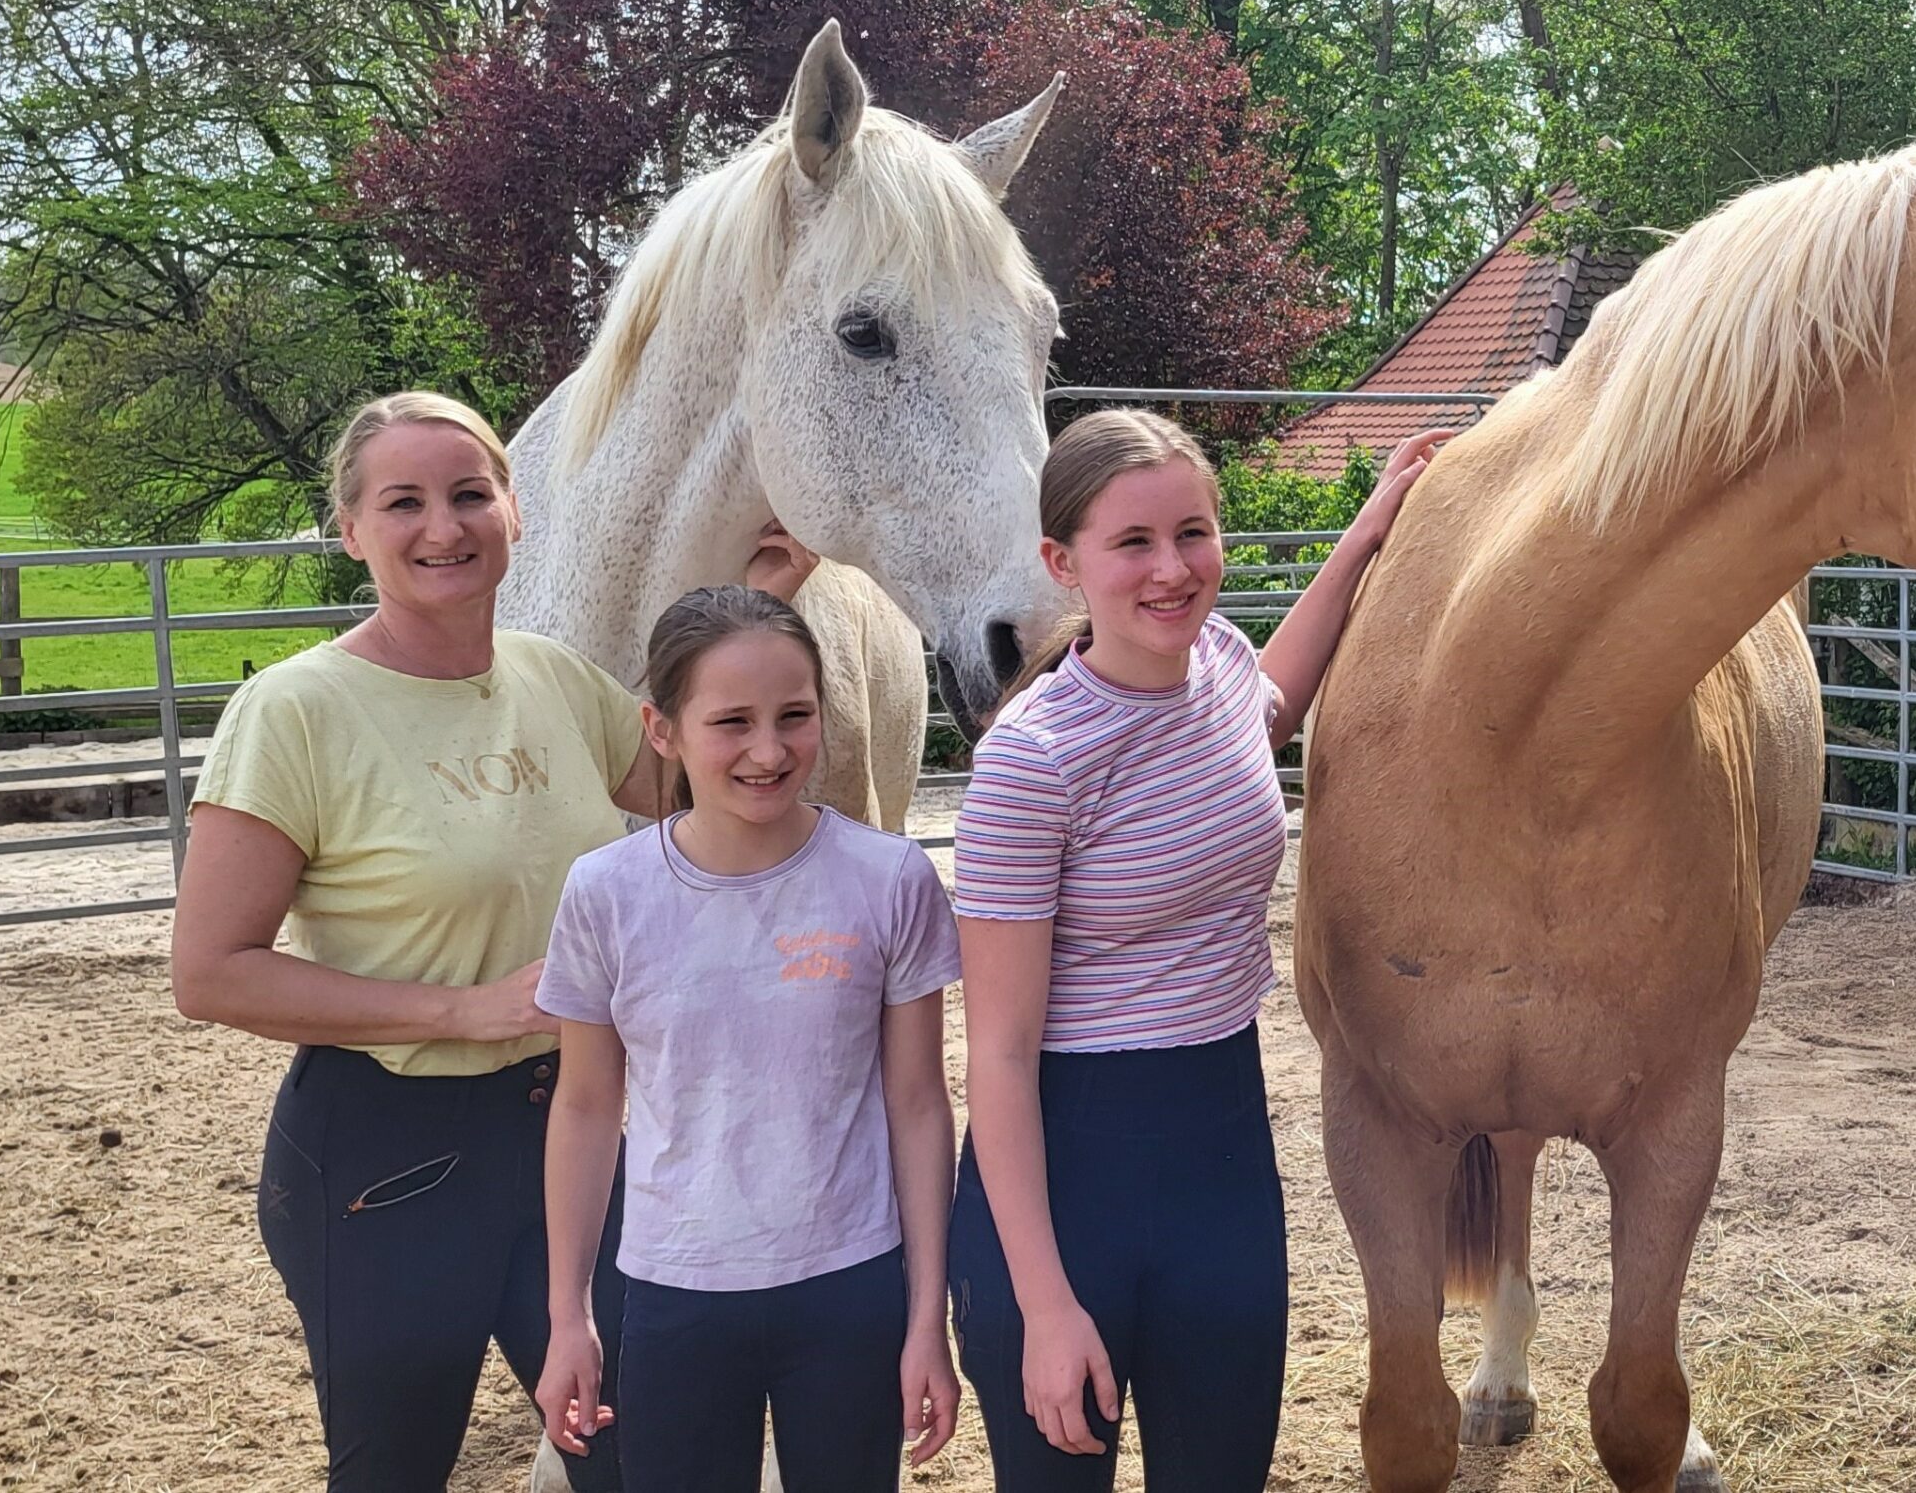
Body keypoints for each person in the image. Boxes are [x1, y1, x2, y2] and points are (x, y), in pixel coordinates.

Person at [169, 391, 814, 1491]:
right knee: (396, 1471)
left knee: (648, 1454)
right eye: (404, 502)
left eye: (471, 495)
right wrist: (462, 1009)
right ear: (350, 529)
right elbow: (209, 972)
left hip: (575, 1134)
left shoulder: (551, 677)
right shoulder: (297, 712)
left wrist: (756, 609)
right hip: (388, 1155)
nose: (444, 528)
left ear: (517, 513)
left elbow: (682, 786)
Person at [950, 408, 1451, 1490]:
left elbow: (1268, 705)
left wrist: (1364, 535)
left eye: (1194, 533)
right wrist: (1041, 1304)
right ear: (1062, 563)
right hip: (1065, 1175)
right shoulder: (1031, 764)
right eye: (1132, 543)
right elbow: (995, 1052)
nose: (1171, 569)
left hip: (1220, 1155)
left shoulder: (1220, 663)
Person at [535, 585, 962, 1491]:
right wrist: (568, 1312)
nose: (769, 751)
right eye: (731, 721)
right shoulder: (605, 893)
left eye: (794, 716)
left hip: (848, 1283)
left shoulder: (889, 880)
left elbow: (919, 1102)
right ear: (662, 729)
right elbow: (583, 1105)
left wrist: (928, 1316)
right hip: (672, 1288)